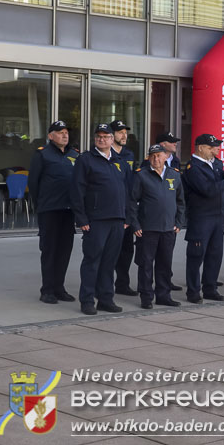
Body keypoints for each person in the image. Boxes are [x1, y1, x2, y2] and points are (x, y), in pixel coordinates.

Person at [70, 123, 129, 315]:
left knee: (109, 262)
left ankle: (106, 299)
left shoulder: (120, 160)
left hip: (117, 219)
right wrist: (82, 218)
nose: (102, 140)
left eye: (106, 137)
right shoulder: (86, 160)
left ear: (112, 139)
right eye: (99, 137)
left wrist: (127, 216)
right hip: (96, 220)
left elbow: (128, 190)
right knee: (92, 261)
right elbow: (77, 190)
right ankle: (87, 300)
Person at [182, 134, 224, 303]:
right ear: (200, 147)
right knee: (196, 255)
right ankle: (193, 292)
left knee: (214, 255)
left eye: (217, 147)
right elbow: (207, 190)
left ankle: (210, 288)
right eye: (211, 147)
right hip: (201, 217)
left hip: (218, 216)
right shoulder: (193, 167)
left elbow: (220, 182)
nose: (216, 150)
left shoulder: (215, 163)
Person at [128, 144, 185, 309]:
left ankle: (163, 295)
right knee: (146, 264)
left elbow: (181, 201)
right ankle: (146, 297)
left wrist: (179, 222)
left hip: (168, 229)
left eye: (159, 155)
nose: (156, 159)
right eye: (152, 156)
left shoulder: (174, 175)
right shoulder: (141, 175)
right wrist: (135, 224)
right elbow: (132, 202)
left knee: (165, 264)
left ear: (166, 157)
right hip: (147, 229)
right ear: (148, 158)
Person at [29, 120, 80, 304]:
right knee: (50, 250)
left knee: (64, 251)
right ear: (51, 136)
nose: (64, 135)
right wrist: (40, 205)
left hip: (68, 211)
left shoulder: (75, 154)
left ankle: (59, 288)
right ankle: (47, 290)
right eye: (60, 132)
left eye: (66, 132)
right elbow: (33, 183)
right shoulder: (42, 155)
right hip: (50, 210)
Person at [110, 120, 138, 297]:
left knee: (127, 249)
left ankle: (122, 283)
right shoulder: (104, 154)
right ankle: (103, 285)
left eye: (125, 132)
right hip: (111, 208)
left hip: (127, 207)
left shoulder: (129, 154)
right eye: (120, 132)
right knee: (110, 250)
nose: (124, 135)